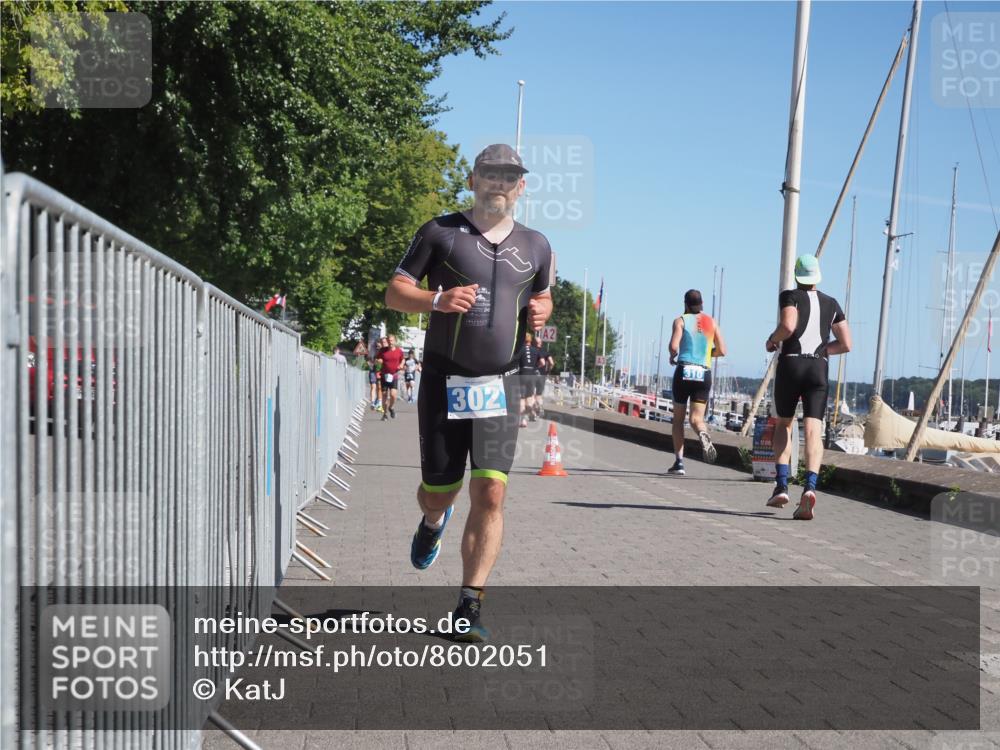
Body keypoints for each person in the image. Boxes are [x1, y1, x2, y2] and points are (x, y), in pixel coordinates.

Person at [385, 143, 552, 642]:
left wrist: (544, 315)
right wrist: (436, 299)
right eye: (491, 174)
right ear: (475, 178)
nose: (499, 183)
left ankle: (468, 605)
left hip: (498, 384)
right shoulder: (440, 232)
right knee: (439, 490)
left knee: (492, 491)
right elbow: (394, 293)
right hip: (442, 378)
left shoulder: (538, 245)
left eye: (510, 176)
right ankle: (433, 521)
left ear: (521, 186)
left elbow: (540, 302)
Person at [765, 254, 851, 519]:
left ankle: (781, 485)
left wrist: (771, 339)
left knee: (784, 424)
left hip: (791, 364)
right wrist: (824, 350)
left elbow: (788, 326)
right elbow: (846, 344)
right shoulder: (832, 303)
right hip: (818, 367)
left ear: (797, 275)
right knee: (814, 428)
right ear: (817, 276)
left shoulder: (790, 296)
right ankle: (810, 488)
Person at [666, 289, 726, 476]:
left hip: (684, 371)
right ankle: (702, 433)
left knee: (678, 420)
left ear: (685, 304)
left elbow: (673, 346)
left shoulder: (680, 321)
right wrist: (708, 354)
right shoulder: (712, 322)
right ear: (701, 304)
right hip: (703, 373)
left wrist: (672, 355)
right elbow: (722, 351)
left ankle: (679, 462)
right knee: (696, 419)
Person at [378, 334, 405, 420]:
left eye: (392, 341)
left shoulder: (399, 351)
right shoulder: (383, 350)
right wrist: (378, 360)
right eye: (389, 341)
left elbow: (403, 359)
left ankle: (391, 407)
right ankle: (385, 414)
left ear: (395, 341)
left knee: (393, 395)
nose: (390, 342)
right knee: (384, 395)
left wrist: (401, 364)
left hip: (394, 375)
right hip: (384, 375)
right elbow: (377, 359)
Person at [517, 330, 539, 427]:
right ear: (530, 341)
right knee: (530, 397)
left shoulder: (520, 350)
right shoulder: (535, 350)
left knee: (522, 398)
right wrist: (535, 367)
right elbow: (542, 362)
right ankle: (532, 412)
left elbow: (515, 363)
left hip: (523, 374)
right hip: (532, 374)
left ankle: (523, 420)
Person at [533, 335, 552, 418]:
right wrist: (547, 371)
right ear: (541, 343)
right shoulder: (545, 352)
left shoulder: (532, 350)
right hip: (542, 375)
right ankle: (540, 409)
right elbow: (552, 362)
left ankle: (533, 411)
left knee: (531, 393)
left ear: (534, 343)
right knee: (539, 394)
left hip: (532, 374)